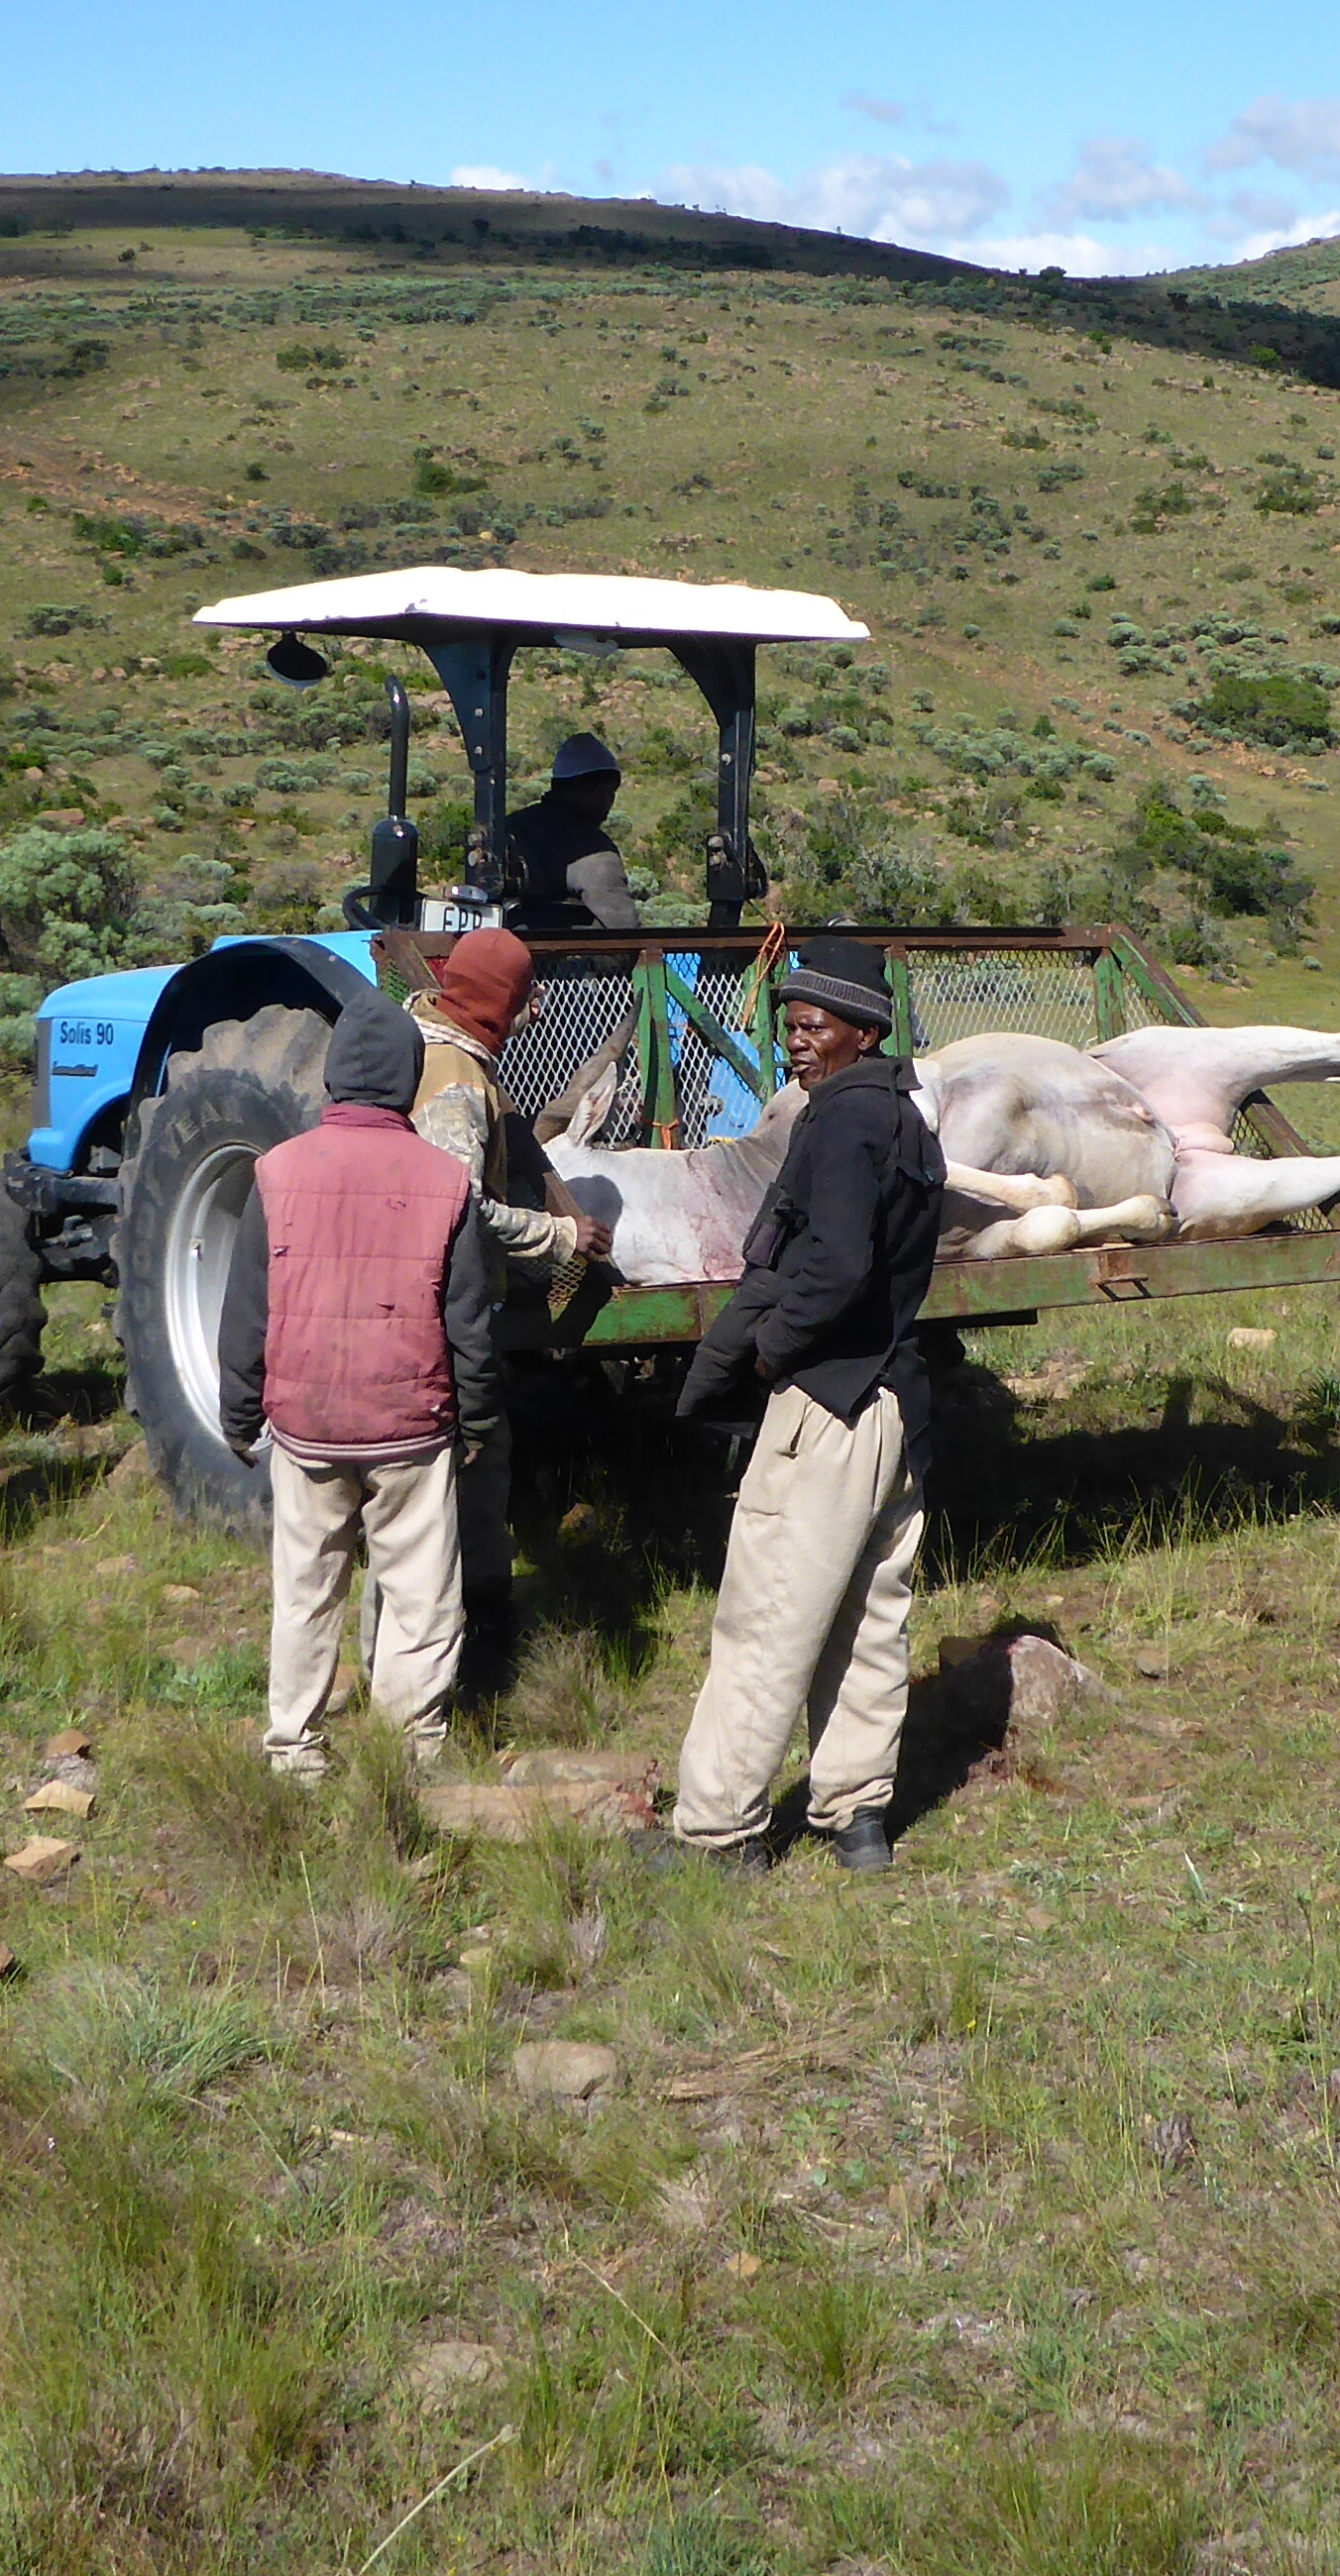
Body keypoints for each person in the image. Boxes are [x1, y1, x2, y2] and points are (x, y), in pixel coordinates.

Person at [661, 937, 947, 1871]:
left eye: (813, 1026)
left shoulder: (841, 1122)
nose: (796, 1043)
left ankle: (719, 1832)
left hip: (827, 1406)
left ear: (862, 1032)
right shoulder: (904, 1116)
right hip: (896, 1397)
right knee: (870, 1613)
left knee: (767, 1616)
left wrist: (771, 1353)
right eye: (789, 1025)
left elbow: (832, 1263)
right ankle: (857, 1817)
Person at [214, 995, 504, 1780]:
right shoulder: (446, 1182)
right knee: (418, 1591)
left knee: (306, 1590)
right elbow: (467, 1324)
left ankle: (297, 1752)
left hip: (306, 1426)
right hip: (410, 1425)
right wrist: (475, 1424)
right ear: (410, 1080)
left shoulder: (275, 1173)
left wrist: (241, 1415)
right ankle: (409, 1756)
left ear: (335, 1076)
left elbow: (246, 1314)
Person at [405, 925, 616, 1660]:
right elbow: (456, 1208)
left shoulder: (437, 1046)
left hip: (443, 1306)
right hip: (441, 1317)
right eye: (525, 996)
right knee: (466, 1470)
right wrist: (559, 1239)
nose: (535, 1009)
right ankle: (472, 1636)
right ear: (501, 1001)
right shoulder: (455, 1082)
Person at [501, 730, 639, 931]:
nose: (608, 801)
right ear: (575, 788)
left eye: (612, 793)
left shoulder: (511, 827)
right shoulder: (591, 848)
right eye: (601, 791)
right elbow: (622, 928)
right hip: (567, 958)